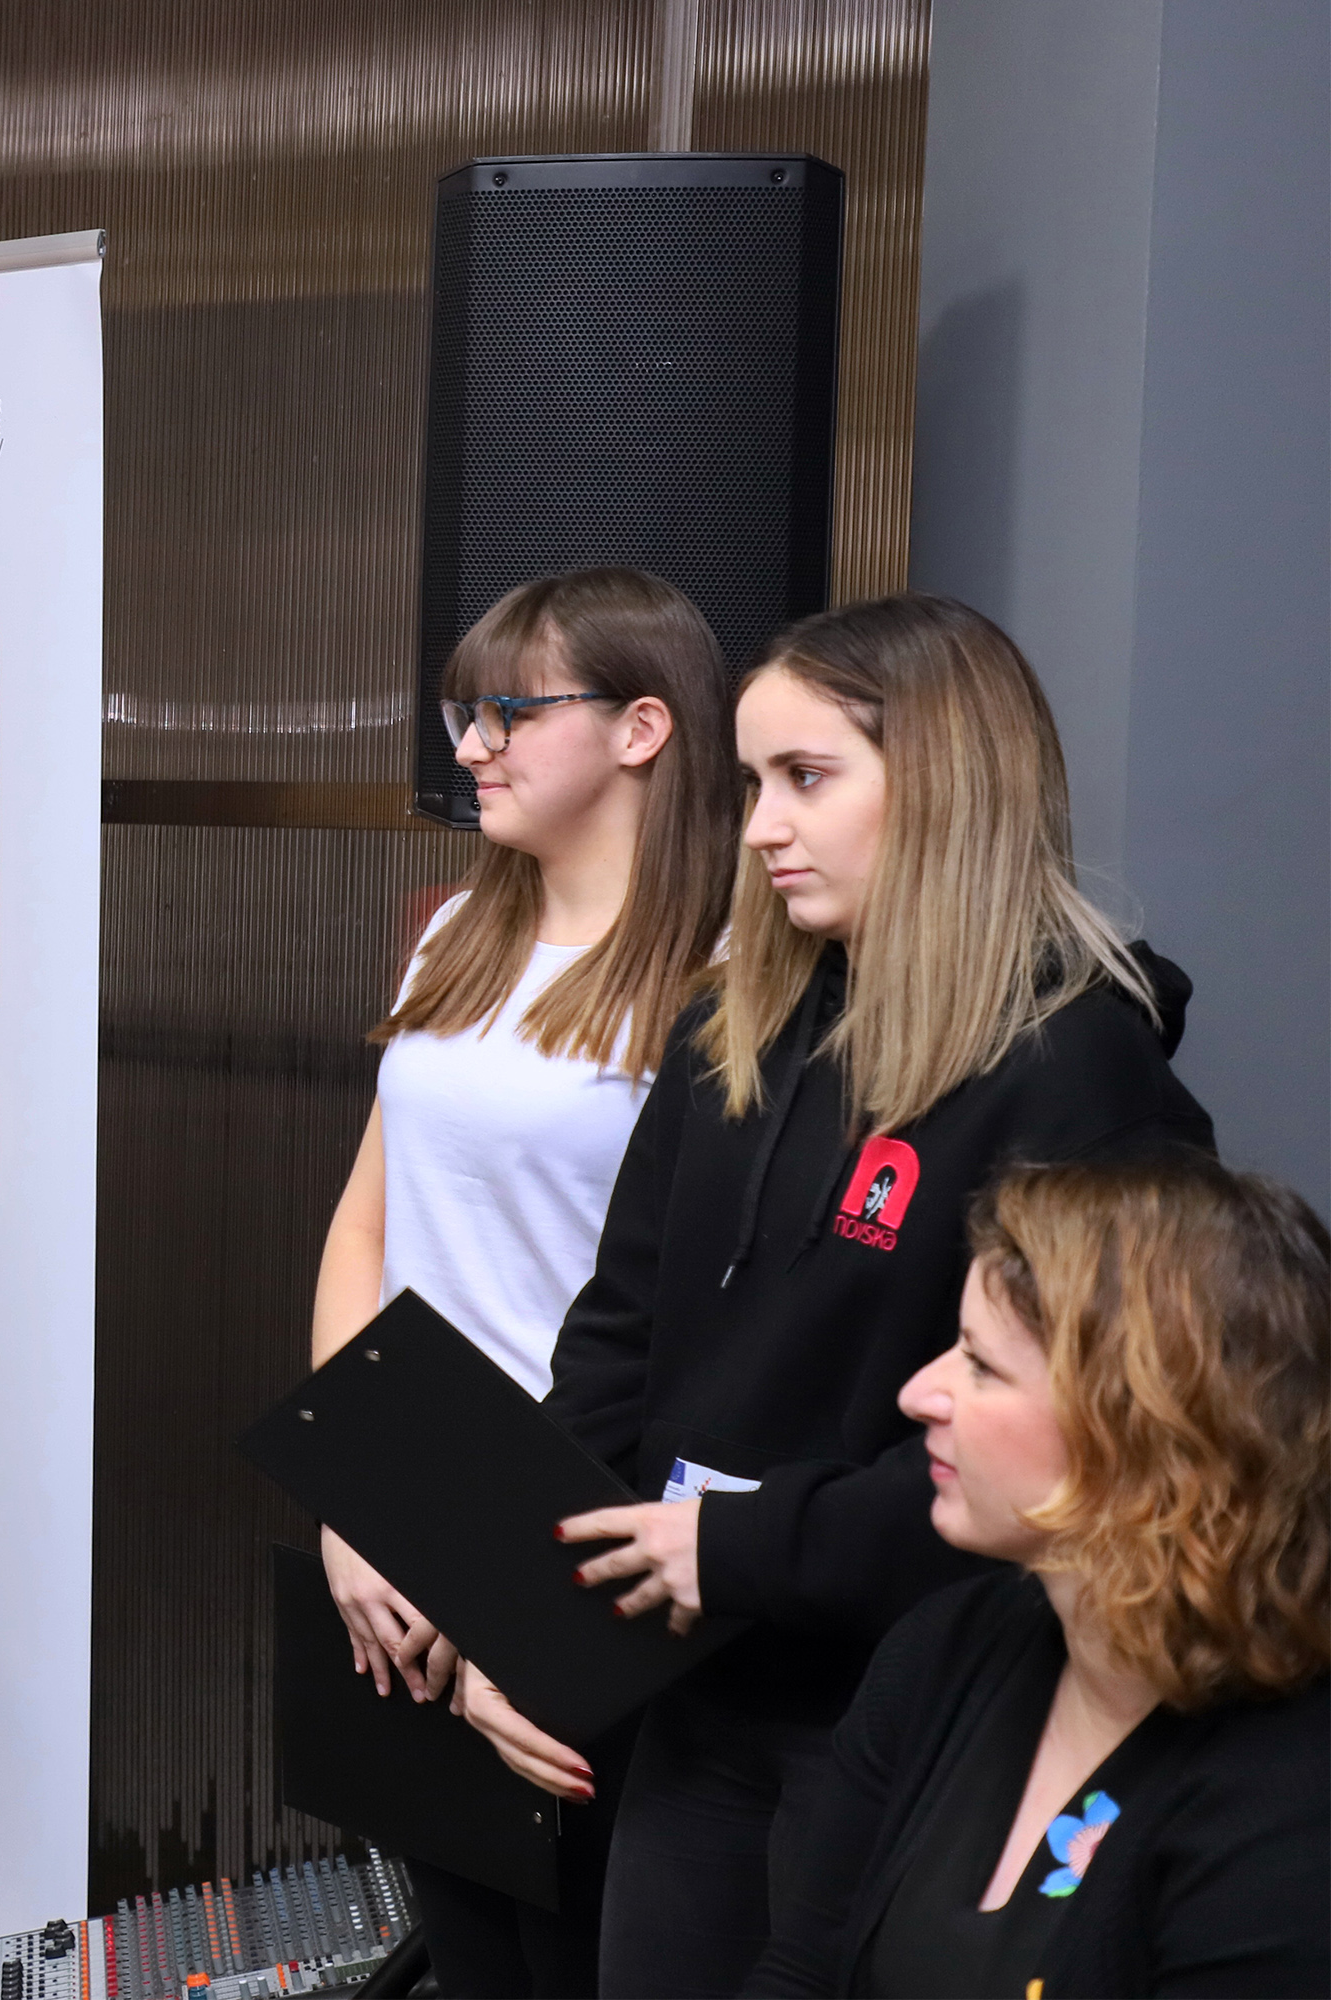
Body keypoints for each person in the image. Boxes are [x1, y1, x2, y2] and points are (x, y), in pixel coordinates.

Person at [459, 594, 1215, 1996]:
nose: (760, 827)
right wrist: (528, 1610)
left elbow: (1077, 1440)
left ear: (945, 786)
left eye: (806, 778)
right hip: (694, 1702)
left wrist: (744, 1547)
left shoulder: (1078, 1076)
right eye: (754, 781)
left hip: (912, 1720)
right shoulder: (727, 1027)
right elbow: (615, 1342)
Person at [309, 568, 737, 1995]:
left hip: (586, 1537)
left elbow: (698, 1327)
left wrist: (518, 1578)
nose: (473, 747)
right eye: (464, 716)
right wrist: (353, 1499)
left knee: (580, 1951)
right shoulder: (458, 934)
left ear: (641, 729)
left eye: (508, 712)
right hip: (412, 1510)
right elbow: (367, 1225)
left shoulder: (729, 976)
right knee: (471, 1942)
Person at [751, 1153, 1331, 1995]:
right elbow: (802, 1972)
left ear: (1142, 1430)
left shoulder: (1289, 1801)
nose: (919, 1394)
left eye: (981, 1366)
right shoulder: (940, 1654)